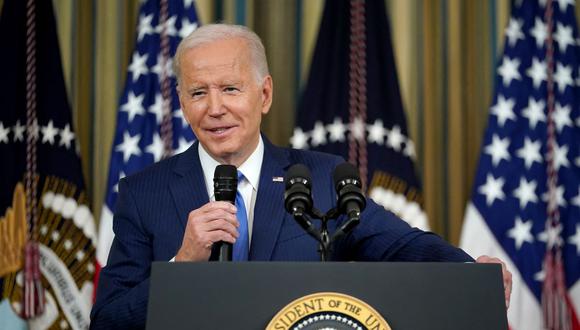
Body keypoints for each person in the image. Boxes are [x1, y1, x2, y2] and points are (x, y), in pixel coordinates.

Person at [90, 24, 512, 329]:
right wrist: (180, 267)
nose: (214, 108)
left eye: (231, 89)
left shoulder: (321, 178)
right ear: (182, 102)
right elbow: (107, 319)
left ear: (265, 94)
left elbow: (402, 245)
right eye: (199, 93)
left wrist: (471, 269)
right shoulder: (145, 193)